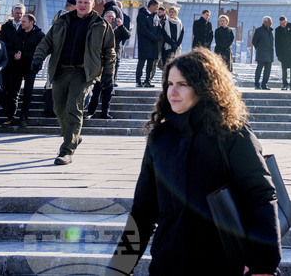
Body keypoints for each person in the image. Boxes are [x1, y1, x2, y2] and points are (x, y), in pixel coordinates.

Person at [108, 48, 280, 276]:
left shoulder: (231, 133)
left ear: (204, 87)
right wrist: (119, 269)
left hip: (222, 265)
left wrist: (262, 263)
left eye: (183, 84)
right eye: (169, 84)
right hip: (168, 265)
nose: (173, 92)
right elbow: (143, 212)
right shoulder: (160, 138)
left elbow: (261, 195)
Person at [30, 0, 115, 165]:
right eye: (80, 2)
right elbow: (47, 42)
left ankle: (66, 150)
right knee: (59, 108)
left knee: (73, 107)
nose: (82, 5)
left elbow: (109, 51)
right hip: (60, 70)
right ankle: (74, 136)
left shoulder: (100, 25)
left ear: (93, 4)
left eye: (86, 2)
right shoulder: (63, 21)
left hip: (83, 73)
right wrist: (38, 57)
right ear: (76, 3)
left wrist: (108, 73)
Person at [4, 13, 45, 127]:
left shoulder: (40, 35)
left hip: (30, 67)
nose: (21, 23)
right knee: (13, 92)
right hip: (16, 66)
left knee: (28, 93)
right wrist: (14, 55)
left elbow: (40, 52)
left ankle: (23, 117)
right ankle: (11, 117)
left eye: (23, 22)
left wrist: (24, 55)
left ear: (31, 23)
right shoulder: (18, 33)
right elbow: (10, 47)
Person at [86, 10, 129, 120]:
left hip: (113, 62)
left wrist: (121, 26)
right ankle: (91, 111)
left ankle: (105, 112)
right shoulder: (99, 28)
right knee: (97, 89)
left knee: (108, 90)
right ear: (103, 17)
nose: (111, 19)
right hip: (99, 62)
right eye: (108, 16)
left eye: (113, 17)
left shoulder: (118, 29)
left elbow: (127, 36)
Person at [136, 0, 163, 87]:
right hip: (144, 43)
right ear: (151, 6)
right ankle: (138, 81)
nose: (157, 9)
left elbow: (159, 28)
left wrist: (158, 37)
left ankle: (148, 80)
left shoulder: (156, 17)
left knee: (151, 63)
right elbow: (143, 29)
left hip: (153, 44)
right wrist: (153, 37)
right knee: (141, 62)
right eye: (156, 7)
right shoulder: (142, 16)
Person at [274, 16, 291, 91]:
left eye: (283, 24)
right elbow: (277, 43)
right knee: (284, 69)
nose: (282, 25)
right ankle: (284, 84)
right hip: (283, 53)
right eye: (280, 24)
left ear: (286, 21)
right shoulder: (278, 30)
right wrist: (278, 54)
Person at [251, 17, 275, 90]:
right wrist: (259, 48)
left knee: (267, 70)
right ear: (265, 22)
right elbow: (254, 41)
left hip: (269, 54)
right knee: (259, 69)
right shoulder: (259, 30)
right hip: (261, 53)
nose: (271, 24)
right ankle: (257, 84)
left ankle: (264, 84)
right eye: (270, 22)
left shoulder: (270, 31)